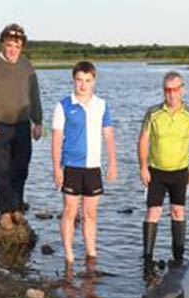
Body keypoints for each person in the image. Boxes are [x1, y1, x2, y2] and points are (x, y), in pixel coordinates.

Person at [0, 23, 43, 229]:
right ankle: (5, 211)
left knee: (21, 169)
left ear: (21, 47)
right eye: (10, 44)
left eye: (17, 45)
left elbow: (34, 95)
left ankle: (17, 208)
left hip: (22, 126)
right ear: (3, 43)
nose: (13, 49)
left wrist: (38, 121)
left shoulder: (26, 66)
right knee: (0, 170)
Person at [51, 61, 117, 265]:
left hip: (93, 168)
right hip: (71, 166)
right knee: (70, 211)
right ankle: (69, 254)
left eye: (87, 80)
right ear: (73, 80)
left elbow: (108, 136)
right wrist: (56, 168)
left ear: (93, 81)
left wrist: (112, 163)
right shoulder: (63, 105)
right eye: (79, 80)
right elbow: (56, 140)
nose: (83, 84)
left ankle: (91, 252)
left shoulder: (102, 105)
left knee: (91, 213)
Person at [138, 71, 189, 266]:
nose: (172, 94)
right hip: (156, 171)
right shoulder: (153, 113)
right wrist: (143, 168)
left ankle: (179, 259)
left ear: (182, 90)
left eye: (175, 89)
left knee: (178, 212)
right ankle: (147, 260)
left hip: (180, 171)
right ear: (163, 91)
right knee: (153, 213)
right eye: (168, 90)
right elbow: (143, 141)